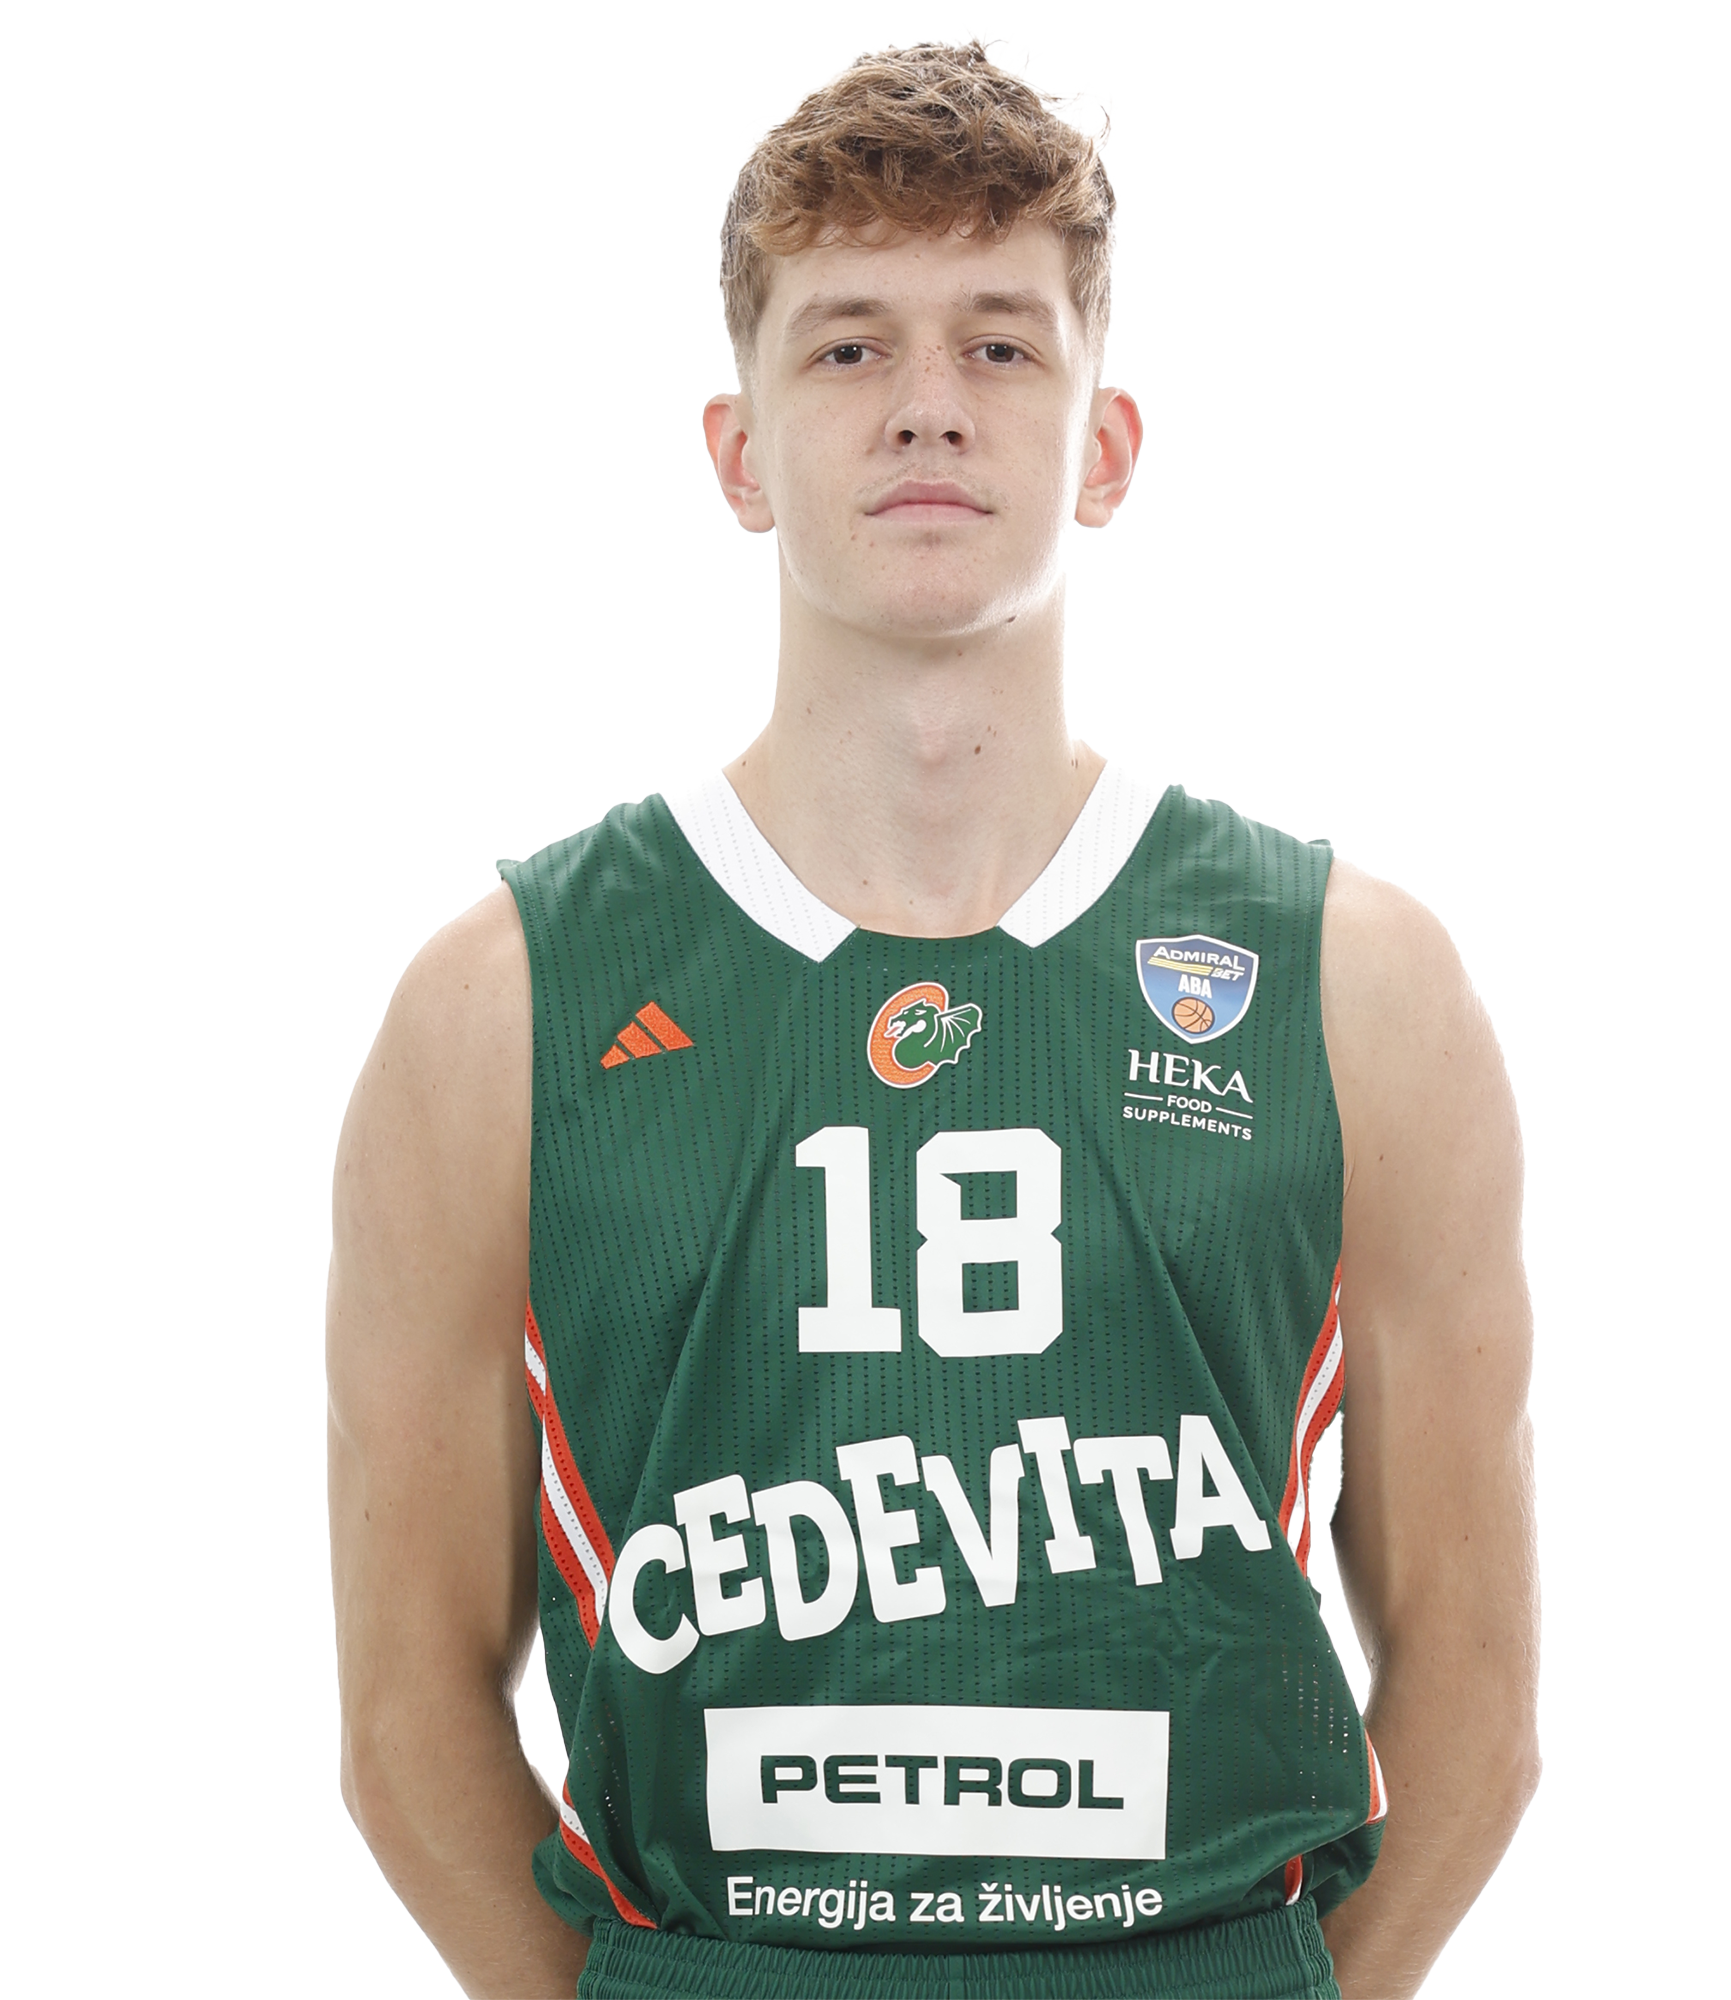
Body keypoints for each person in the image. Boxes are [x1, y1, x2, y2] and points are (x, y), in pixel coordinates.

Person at [327, 38, 1539, 2000]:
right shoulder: (502, 1010)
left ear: (1106, 443)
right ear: (737, 451)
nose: (925, 404)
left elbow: (1476, 1685)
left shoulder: (1351, 987)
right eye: (846, 346)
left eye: (997, 343)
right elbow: (404, 1721)